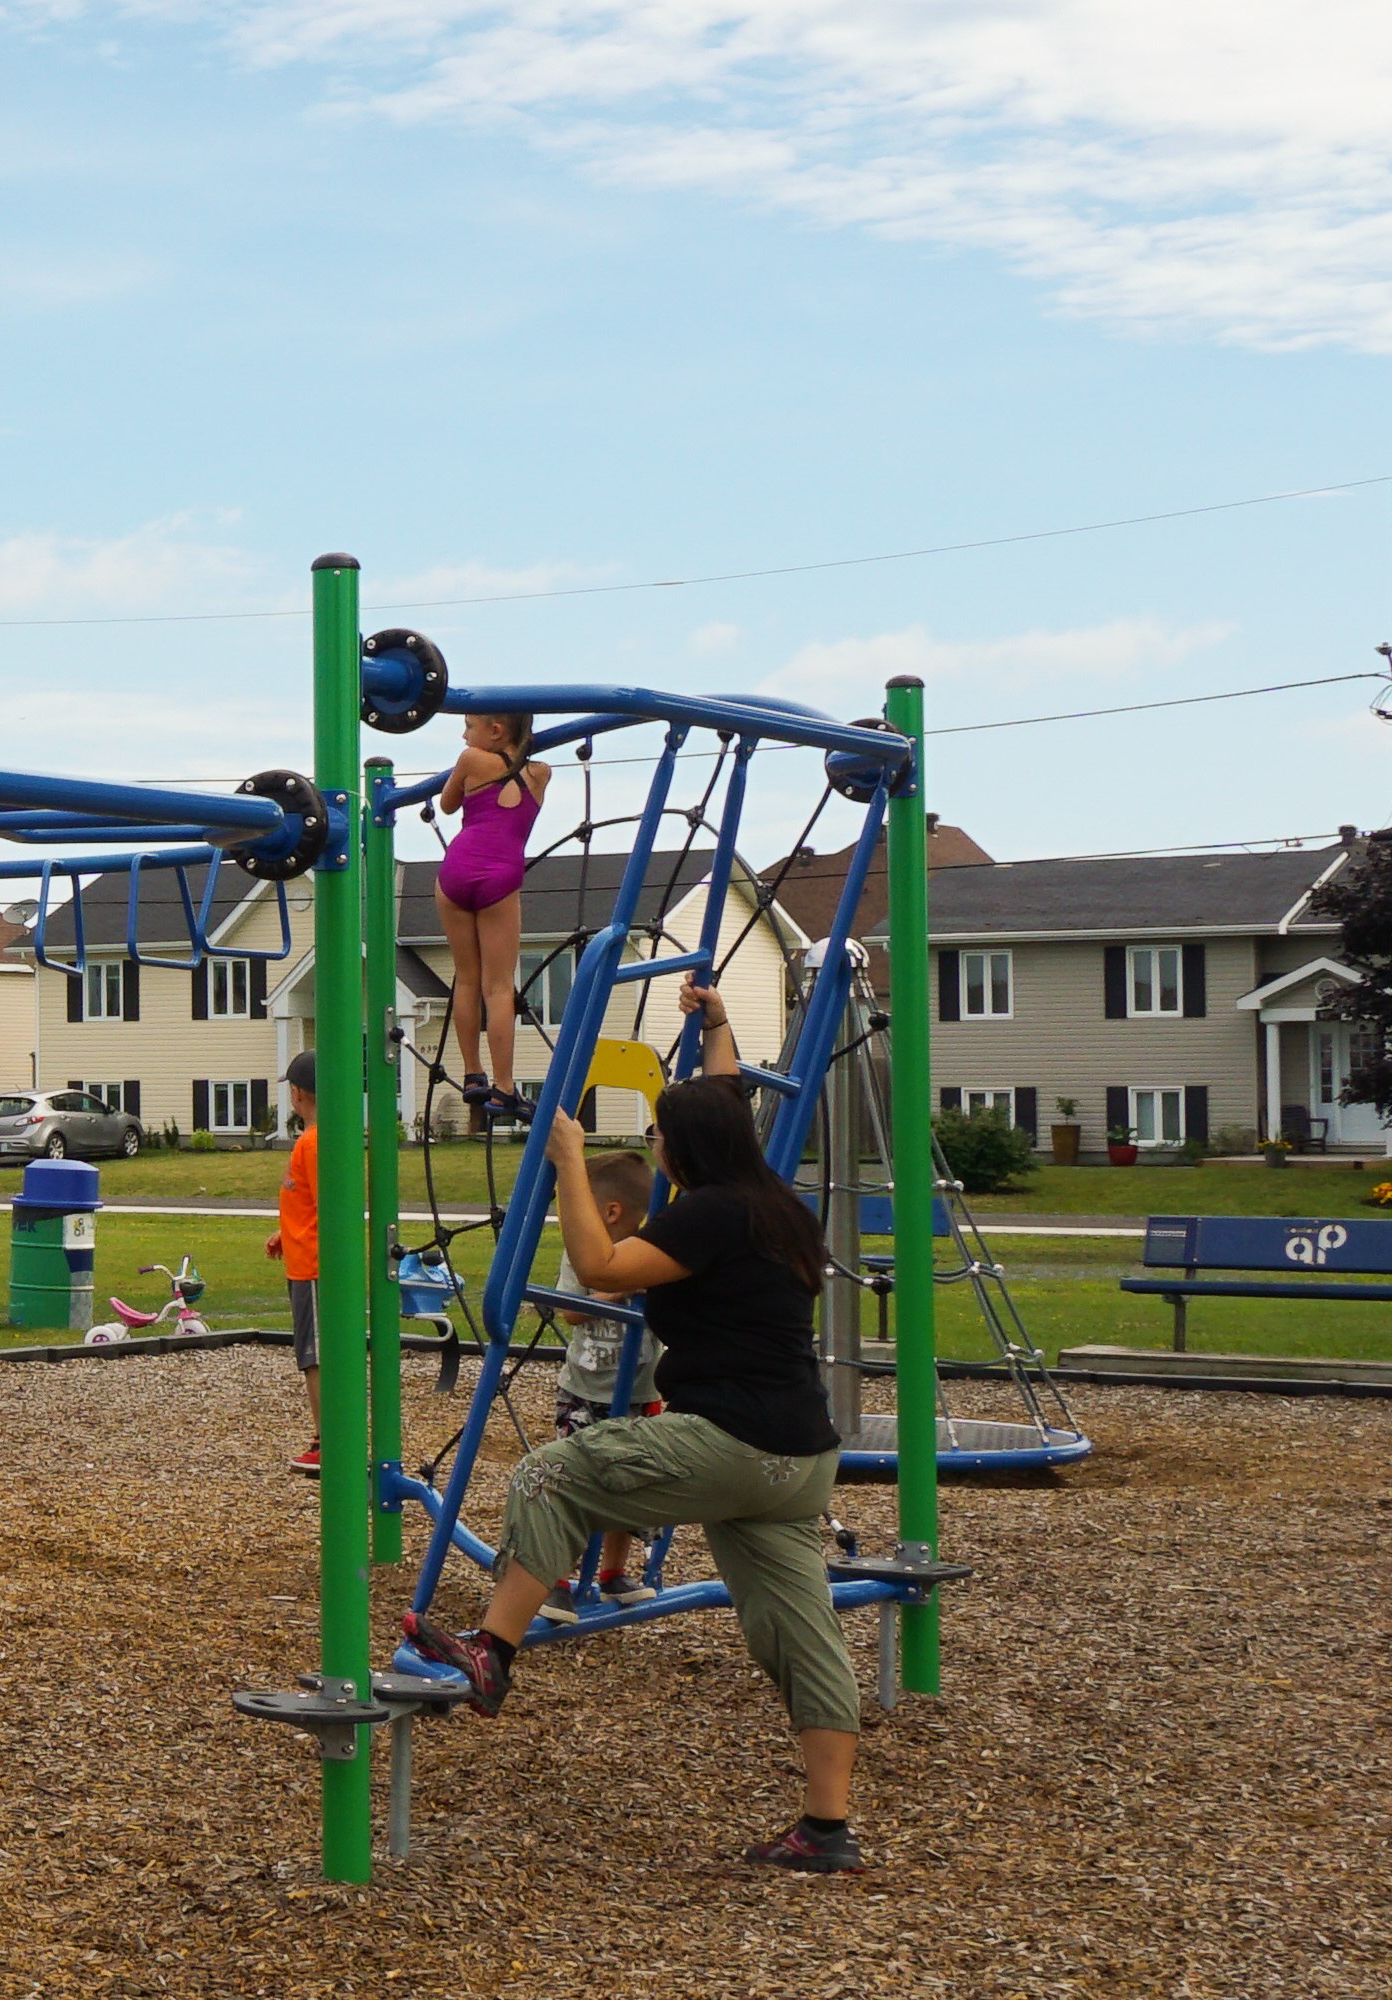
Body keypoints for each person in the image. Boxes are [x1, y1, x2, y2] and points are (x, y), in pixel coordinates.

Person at [398, 983, 871, 1874]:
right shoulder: (775, 1202)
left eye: (659, 1135)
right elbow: (725, 1104)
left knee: (549, 1473)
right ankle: (827, 1829)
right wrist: (719, 1023)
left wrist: (568, 1159)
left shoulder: (707, 1213)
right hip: (802, 1459)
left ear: (683, 1151)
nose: (653, 1145)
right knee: (800, 1629)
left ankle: (492, 1650)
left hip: (730, 1443)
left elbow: (600, 1266)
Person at [545, 1146, 668, 1604]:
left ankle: (613, 1572)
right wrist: (617, 1291)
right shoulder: (581, 1254)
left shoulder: (649, 1255)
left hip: (640, 1392)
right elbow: (569, 1312)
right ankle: (557, 1578)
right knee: (574, 1481)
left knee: (631, 1485)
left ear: (610, 1213)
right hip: (583, 1392)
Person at [431, 709, 548, 1131]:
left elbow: (447, 805)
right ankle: (503, 1085)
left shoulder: (470, 762)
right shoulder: (541, 773)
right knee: (498, 987)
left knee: (466, 977)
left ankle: (472, 1073)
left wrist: (464, 772)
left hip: (456, 871)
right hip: (501, 876)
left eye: (468, 728)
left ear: (495, 730)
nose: (464, 737)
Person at [270, 1052, 329, 1474]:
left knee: (314, 1356)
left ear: (297, 1094)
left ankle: (327, 1440)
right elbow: (307, 1202)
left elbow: (330, 1206)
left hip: (312, 1267)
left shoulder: (313, 1142)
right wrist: (283, 1233)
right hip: (302, 1257)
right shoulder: (318, 1138)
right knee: (315, 1353)